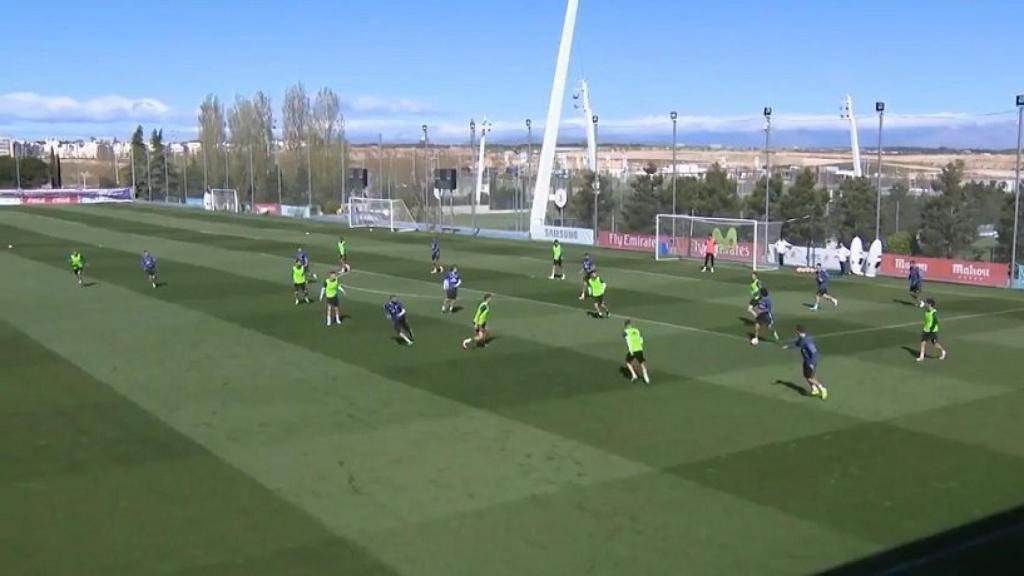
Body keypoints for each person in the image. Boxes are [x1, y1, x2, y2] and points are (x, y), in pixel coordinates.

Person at [783, 325, 828, 400]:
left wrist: (812, 364)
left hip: (810, 362)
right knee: (807, 376)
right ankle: (814, 389)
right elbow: (796, 344)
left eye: (796, 331)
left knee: (810, 378)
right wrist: (787, 346)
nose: (795, 333)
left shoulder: (807, 341)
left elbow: (813, 352)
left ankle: (823, 389)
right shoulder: (801, 339)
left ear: (798, 331)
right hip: (806, 361)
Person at [917, 298, 947, 362]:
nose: (926, 304)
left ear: (930, 304)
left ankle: (921, 357)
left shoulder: (933, 313)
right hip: (928, 329)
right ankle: (943, 351)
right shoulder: (927, 310)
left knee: (923, 342)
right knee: (935, 344)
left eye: (927, 303)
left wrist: (930, 329)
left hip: (930, 330)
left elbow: (935, 321)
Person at [623, 319, 650, 384]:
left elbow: (628, 340)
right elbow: (641, 339)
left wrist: (630, 350)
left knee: (628, 362)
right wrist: (641, 346)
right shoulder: (636, 330)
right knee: (642, 363)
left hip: (633, 350)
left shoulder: (625, 332)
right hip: (639, 349)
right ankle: (646, 378)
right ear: (630, 325)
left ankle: (634, 375)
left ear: (626, 325)